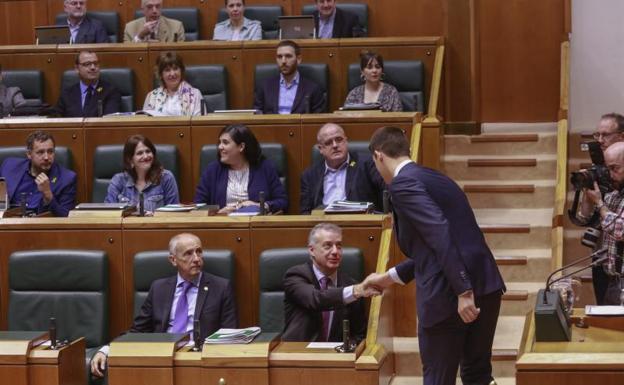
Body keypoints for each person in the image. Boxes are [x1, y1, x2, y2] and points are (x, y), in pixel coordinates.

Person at [362, 126, 505, 385]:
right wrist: (389, 277)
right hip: (486, 284)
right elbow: (435, 247)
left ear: (379, 155)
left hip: (449, 296)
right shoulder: (437, 178)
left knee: (438, 380)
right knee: (478, 375)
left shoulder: (402, 184)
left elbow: (439, 232)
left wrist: (463, 291)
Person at [90, 232, 238, 378]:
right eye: (188, 254)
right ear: (173, 260)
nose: (196, 259)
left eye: (199, 252)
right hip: (161, 356)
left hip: (199, 359)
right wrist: (106, 350)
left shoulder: (221, 287)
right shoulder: (159, 288)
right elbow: (138, 331)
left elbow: (229, 335)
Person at [282, 223, 374, 341]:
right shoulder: (295, 276)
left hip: (335, 355)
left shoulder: (350, 285)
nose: (335, 252)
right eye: (328, 246)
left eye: (339, 246)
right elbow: (315, 299)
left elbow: (359, 334)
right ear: (312, 250)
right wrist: (355, 291)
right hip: (299, 353)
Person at [574, 112, 624, 305]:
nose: (600, 140)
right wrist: (588, 190)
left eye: (606, 134)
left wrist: (600, 204)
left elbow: (620, 229)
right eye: (597, 135)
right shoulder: (602, 171)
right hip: (605, 259)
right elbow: (583, 217)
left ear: (621, 136)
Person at [194, 124, 288, 214]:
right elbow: (199, 205)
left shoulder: (265, 168)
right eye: (220, 142)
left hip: (256, 225)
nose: (220, 147)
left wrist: (260, 206)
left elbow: (282, 201)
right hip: (223, 224)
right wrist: (218, 212)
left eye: (225, 142)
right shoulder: (212, 170)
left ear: (241, 147)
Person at [300, 123, 385, 214]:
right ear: (321, 149)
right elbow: (306, 212)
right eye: (328, 143)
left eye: (339, 140)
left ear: (346, 141)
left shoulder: (366, 164)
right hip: (324, 223)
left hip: (358, 222)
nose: (335, 145)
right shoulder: (310, 175)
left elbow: (385, 193)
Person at [0, 131, 76, 217]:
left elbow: (66, 217)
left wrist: (48, 196)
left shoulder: (67, 178)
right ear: (29, 154)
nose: (46, 157)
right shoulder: (9, 166)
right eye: (40, 152)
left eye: (50, 152)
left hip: (41, 227)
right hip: (9, 223)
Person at [104, 134, 179, 214]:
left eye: (148, 151)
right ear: (130, 160)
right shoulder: (118, 180)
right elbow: (109, 213)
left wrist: (154, 216)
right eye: (140, 153)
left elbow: (174, 214)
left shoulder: (166, 178)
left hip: (156, 225)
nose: (146, 156)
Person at [253, 40, 325, 114]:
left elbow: (318, 119)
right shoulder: (264, 86)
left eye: (288, 56)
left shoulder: (313, 89)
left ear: (299, 59)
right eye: (279, 57)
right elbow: (257, 114)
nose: (283, 61)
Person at [55, 51, 121, 117]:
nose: (93, 67)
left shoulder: (110, 91)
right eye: (87, 64)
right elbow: (56, 118)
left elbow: (109, 120)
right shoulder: (67, 94)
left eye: (96, 63)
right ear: (77, 69)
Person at [143, 52, 202, 116]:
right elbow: (145, 123)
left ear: (181, 71)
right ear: (161, 75)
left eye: (175, 68)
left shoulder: (195, 94)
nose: (172, 74)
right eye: (167, 70)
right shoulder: (151, 96)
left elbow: (200, 123)